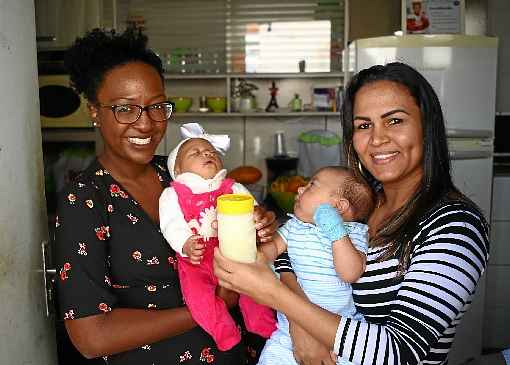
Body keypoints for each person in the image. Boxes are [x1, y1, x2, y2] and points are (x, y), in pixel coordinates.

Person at [213, 62, 490, 365]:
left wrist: (276, 296)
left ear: (427, 126)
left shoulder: (456, 227)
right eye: (363, 125)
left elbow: (400, 352)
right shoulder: (362, 203)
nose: (377, 138)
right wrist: (300, 325)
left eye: (395, 120)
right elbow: (294, 250)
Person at [54, 28, 277, 365]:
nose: (146, 124)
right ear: (95, 111)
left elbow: (231, 222)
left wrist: (259, 225)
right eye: (125, 109)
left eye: (156, 106)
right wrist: (213, 305)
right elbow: (91, 336)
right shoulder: (85, 199)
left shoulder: (178, 172)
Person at [159, 122, 276, 351]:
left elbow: (252, 209)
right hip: (196, 260)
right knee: (199, 299)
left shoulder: (233, 187)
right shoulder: (174, 193)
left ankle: (263, 325)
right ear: (179, 169)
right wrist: (185, 244)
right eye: (195, 153)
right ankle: (223, 331)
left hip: (235, 253)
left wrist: (258, 217)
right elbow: (170, 223)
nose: (206, 154)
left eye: (211, 152)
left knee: (255, 287)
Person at [257, 166, 374, 365]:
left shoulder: (354, 233)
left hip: (338, 332)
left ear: (338, 207)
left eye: (312, 185)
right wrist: (255, 241)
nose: (300, 189)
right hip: (289, 332)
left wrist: (337, 233)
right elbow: (267, 253)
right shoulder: (294, 226)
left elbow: (350, 273)